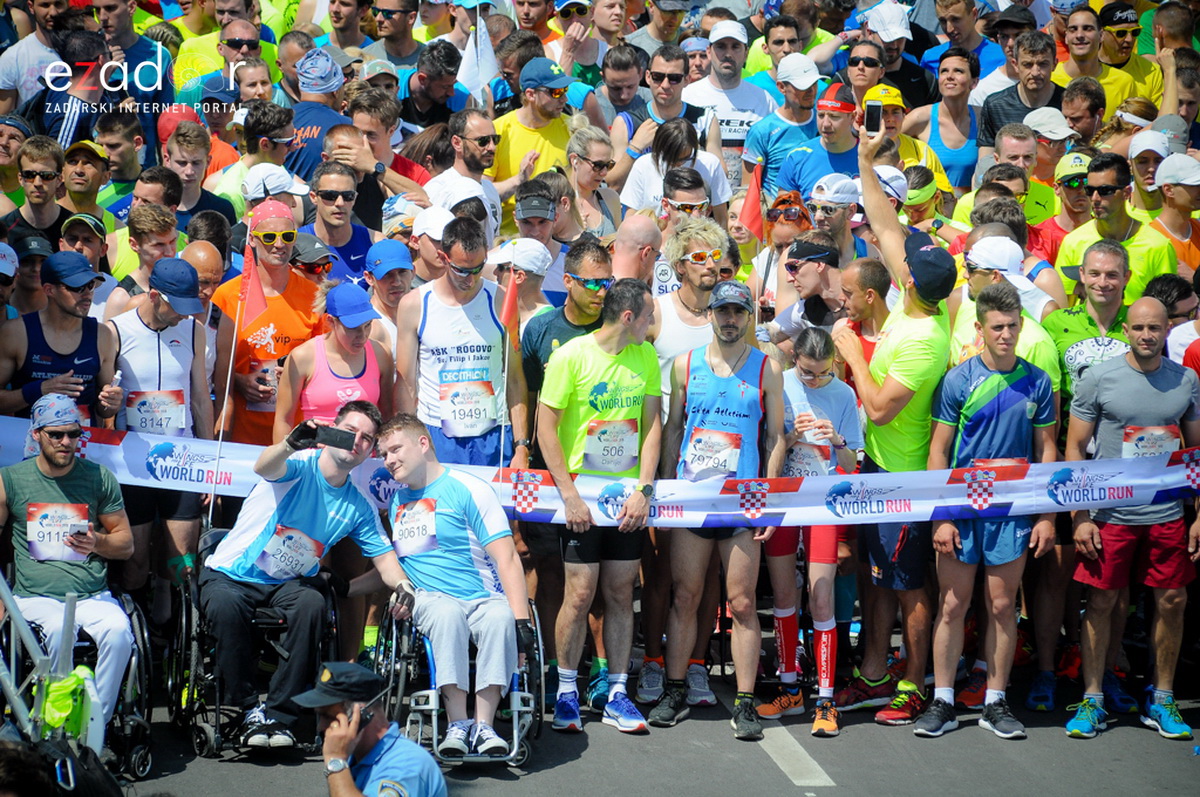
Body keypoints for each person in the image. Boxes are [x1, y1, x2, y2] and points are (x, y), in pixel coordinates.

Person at [830, 127, 956, 725]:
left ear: (916, 285)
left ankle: (913, 684)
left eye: (910, 266)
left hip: (907, 480)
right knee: (876, 580)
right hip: (876, 470)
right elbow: (882, 223)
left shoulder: (928, 341)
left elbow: (879, 408)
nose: (902, 262)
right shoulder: (913, 297)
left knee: (909, 588)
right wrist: (864, 157)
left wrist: (851, 351)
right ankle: (874, 674)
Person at [915, 280, 1057, 741]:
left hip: (1012, 514)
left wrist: (1046, 516)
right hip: (962, 509)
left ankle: (996, 702)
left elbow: (1047, 451)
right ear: (979, 328)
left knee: (1001, 606)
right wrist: (942, 515)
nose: (1006, 334)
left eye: (1013, 326)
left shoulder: (1038, 381)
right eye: (997, 327)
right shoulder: (959, 380)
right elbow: (938, 452)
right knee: (952, 604)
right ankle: (942, 700)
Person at [647, 279, 783, 741]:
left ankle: (745, 703)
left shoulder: (767, 369)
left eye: (737, 313)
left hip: (742, 504)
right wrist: (664, 491)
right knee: (685, 596)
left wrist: (767, 498)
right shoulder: (685, 365)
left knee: (742, 602)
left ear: (749, 317)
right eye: (721, 311)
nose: (729, 320)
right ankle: (675, 687)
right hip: (692, 501)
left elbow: (775, 437)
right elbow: (673, 429)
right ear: (710, 315)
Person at [1064, 296, 1200, 741]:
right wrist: (1080, 516)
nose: (1146, 336)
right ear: (1126, 329)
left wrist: (1199, 516)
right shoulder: (1099, 378)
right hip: (1110, 514)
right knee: (1102, 602)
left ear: (1167, 331)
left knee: (1172, 601)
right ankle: (1093, 697)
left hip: (1166, 515)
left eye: (1154, 329)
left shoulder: (1187, 381)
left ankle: (1162, 699)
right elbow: (1073, 450)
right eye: (1138, 328)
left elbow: (1196, 455)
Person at [370, 412, 534, 756]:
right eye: (384, 454)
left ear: (423, 443)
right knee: (446, 614)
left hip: (480, 595)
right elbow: (395, 564)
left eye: (395, 449)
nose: (389, 460)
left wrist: (522, 623)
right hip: (429, 599)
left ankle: (485, 727)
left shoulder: (469, 488)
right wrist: (349, 587)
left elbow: (507, 558)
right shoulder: (397, 501)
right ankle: (457, 724)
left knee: (498, 618)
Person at [538, 278, 661, 735]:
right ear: (628, 318)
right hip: (582, 500)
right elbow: (544, 427)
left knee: (619, 593)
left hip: (626, 497)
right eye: (648, 316)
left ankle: (616, 693)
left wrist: (644, 490)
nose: (653, 325)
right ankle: (567, 689)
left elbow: (651, 425)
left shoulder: (644, 355)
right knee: (580, 593)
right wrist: (568, 494)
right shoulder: (572, 356)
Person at [519, 239, 614, 712]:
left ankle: (596, 670)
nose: (602, 291)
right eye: (593, 282)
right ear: (568, 282)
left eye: (607, 281)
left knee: (596, 583)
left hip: (604, 473)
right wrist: (522, 447)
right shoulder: (541, 329)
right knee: (548, 569)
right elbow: (527, 394)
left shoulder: (617, 323)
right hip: (547, 471)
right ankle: (544, 662)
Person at [0, 394, 134, 727]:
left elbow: (126, 544)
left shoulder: (99, 478)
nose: (65, 442)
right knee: (60, 631)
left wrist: (98, 542)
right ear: (36, 434)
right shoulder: (11, 480)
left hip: (91, 594)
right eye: (56, 434)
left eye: (73, 434)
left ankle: (92, 727)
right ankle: (51, 723)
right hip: (35, 596)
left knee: (119, 632)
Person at [758, 326, 862, 737]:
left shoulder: (843, 396)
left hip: (823, 500)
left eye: (821, 374)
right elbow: (770, 444)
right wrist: (791, 436)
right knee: (784, 596)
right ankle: (788, 687)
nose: (814, 381)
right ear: (793, 361)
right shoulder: (780, 384)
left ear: (833, 364)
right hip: (785, 498)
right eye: (806, 373)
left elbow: (853, 463)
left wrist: (836, 440)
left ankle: (825, 698)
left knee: (821, 599)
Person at [108, 258, 211, 594]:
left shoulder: (194, 330)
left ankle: (170, 627)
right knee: (135, 563)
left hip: (181, 459)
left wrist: (210, 462)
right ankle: (136, 624)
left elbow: (199, 398)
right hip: (131, 463)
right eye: (177, 306)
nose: (184, 314)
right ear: (154, 296)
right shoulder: (116, 330)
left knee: (181, 562)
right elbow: (105, 404)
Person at [393, 217, 530, 467]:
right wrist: (407, 441)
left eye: (478, 268)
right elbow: (406, 384)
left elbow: (514, 377)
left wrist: (521, 446)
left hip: (493, 435)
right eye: (462, 270)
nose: (470, 278)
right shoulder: (414, 304)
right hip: (437, 434)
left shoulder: (501, 299)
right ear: (444, 258)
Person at [212, 200, 323, 449]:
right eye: (269, 236)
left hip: (296, 438)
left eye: (287, 235)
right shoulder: (226, 296)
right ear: (252, 238)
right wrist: (240, 381)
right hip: (240, 437)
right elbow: (206, 367)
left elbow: (327, 362)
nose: (280, 244)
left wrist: (296, 376)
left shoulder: (314, 296)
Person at [0, 250, 122, 421]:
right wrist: (39, 390)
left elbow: (104, 409)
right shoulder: (16, 332)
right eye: (77, 287)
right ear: (49, 289)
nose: (87, 294)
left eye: (91, 285)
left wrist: (111, 403)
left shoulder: (102, 335)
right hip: (32, 444)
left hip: (82, 444)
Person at [296, 662, 446, 797]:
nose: (320, 726)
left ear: (360, 716)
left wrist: (336, 763)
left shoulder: (406, 767)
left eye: (328, 716)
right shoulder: (355, 755)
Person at [1055, 152, 1176, 303]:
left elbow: (1168, 308)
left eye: (1105, 191)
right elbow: (1064, 307)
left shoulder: (1158, 246)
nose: (1095, 199)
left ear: (1126, 193)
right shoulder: (1073, 242)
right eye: (1090, 191)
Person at [681, 20, 776, 189]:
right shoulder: (687, 95)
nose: (728, 53)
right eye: (721, 46)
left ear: (746, 53)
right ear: (709, 51)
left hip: (746, 201)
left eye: (735, 47)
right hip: (698, 200)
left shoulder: (764, 99)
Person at [487, 57, 575, 235]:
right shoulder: (498, 131)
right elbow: (483, 192)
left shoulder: (572, 128)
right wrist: (519, 180)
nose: (564, 98)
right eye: (556, 92)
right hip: (511, 237)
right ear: (530, 94)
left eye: (565, 90)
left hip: (560, 237)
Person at [620, 118, 732, 227]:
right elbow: (631, 216)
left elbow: (721, 217)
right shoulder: (643, 165)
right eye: (671, 159)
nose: (678, 164)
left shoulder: (710, 164)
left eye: (685, 158)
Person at [903, 47, 980, 195]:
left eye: (958, 71)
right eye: (944, 71)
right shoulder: (920, 118)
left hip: (968, 211)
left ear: (974, 82)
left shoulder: (982, 117)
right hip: (928, 209)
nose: (949, 76)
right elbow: (886, 147)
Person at [743, 52, 821, 196]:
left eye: (814, 83)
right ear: (781, 87)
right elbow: (748, 191)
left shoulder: (825, 124)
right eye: (803, 86)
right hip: (778, 216)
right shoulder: (762, 131)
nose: (811, 91)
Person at [979, 32, 1063, 160]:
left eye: (1042, 64)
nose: (1035, 72)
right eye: (1027, 65)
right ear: (1015, 64)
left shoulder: (1068, 103)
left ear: (1055, 64)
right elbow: (985, 161)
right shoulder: (995, 106)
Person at [425, 109, 504, 243]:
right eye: (483, 140)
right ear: (457, 143)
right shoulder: (437, 189)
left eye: (495, 139)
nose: (492, 147)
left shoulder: (489, 189)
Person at [1050, 6, 1136, 121]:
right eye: (1073, 29)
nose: (1079, 35)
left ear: (1101, 35)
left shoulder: (1124, 82)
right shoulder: (1051, 77)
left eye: (1087, 29)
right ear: (1066, 37)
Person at [300, 162, 379, 286]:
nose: (340, 203)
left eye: (348, 196)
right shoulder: (294, 245)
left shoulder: (375, 243)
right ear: (313, 197)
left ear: (355, 198)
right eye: (330, 195)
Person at [776, 83, 859, 198]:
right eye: (821, 115)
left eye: (834, 116)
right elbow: (784, 211)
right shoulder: (797, 157)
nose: (825, 124)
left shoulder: (871, 156)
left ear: (852, 117)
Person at [285, 48, 352, 183]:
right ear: (336, 91)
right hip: (325, 201)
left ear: (301, 86)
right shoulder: (344, 126)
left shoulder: (278, 120)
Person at [1, 136, 71, 252]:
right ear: (20, 178)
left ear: (59, 179)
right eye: (29, 175)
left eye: (47, 176)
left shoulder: (75, 228)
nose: (37, 183)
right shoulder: (3, 230)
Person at [164, 122, 238, 230]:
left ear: (208, 162)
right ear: (167, 160)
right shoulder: (153, 208)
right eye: (182, 163)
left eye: (196, 163)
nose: (189, 171)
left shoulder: (222, 210)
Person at [1031, 150, 1092, 265]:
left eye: (1086, 182)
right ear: (1056, 188)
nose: (1081, 189)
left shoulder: (1105, 230)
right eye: (1072, 182)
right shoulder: (1041, 236)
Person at [967, 5, 1036, 108]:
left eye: (1019, 36)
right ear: (998, 39)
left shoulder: (1046, 81)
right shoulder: (983, 90)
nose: (1010, 43)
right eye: (1004, 37)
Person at [919, 0, 1005, 76]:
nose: (949, 29)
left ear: (974, 14)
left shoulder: (1002, 58)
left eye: (955, 20)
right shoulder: (930, 58)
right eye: (943, 21)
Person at [566, 125, 622, 238]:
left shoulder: (610, 198)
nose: (604, 173)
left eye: (608, 165)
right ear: (574, 160)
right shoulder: (559, 202)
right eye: (598, 165)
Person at [1150, 153, 1200, 275]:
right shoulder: (1152, 238)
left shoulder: (1198, 228)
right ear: (1168, 190)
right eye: (1194, 185)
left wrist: (1195, 279)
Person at [364, 239, 415, 351]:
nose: (397, 282)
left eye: (402, 272)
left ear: (413, 272)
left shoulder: (424, 314)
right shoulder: (370, 329)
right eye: (387, 274)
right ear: (369, 278)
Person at [363, 0, 427, 68]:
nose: (378, 19)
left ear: (411, 18)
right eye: (375, 11)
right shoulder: (364, 60)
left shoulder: (430, 60)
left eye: (388, 13)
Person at [610, 213, 663, 282]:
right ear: (646, 253)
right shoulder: (637, 292)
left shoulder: (594, 284)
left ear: (614, 246)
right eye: (657, 256)